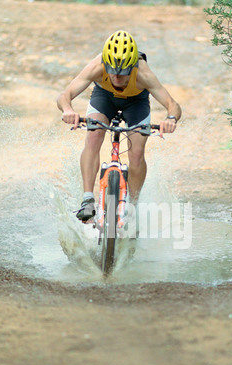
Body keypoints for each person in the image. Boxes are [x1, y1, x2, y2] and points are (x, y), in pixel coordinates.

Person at [57, 30, 181, 222]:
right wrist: (68, 110)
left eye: (122, 74)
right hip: (104, 98)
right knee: (94, 135)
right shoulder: (97, 66)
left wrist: (171, 119)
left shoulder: (143, 73)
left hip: (136, 103)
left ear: (132, 68)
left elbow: (172, 104)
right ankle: (87, 199)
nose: (116, 77)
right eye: (112, 71)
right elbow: (65, 95)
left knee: (137, 152)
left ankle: (132, 206)